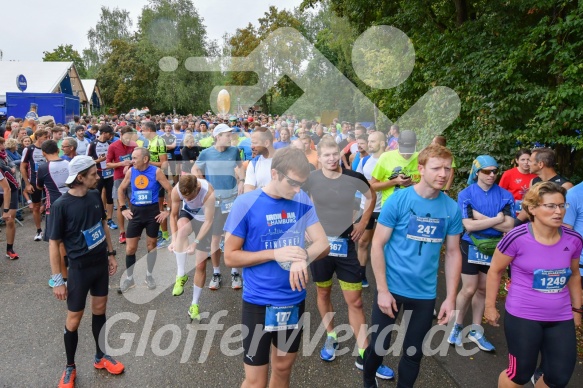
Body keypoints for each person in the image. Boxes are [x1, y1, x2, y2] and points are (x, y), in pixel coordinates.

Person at [223, 147, 330, 388]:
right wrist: (274, 254)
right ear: (274, 174)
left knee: (282, 369)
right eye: (292, 183)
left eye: (301, 184)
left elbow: (323, 244)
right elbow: (230, 257)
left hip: (292, 301)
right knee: (255, 382)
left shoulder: (300, 199)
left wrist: (303, 256)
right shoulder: (245, 203)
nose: (297, 189)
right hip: (258, 302)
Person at [362, 144, 462, 388]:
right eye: (436, 168)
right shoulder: (398, 199)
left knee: (413, 352)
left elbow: (452, 253)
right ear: (421, 169)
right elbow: (377, 245)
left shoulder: (451, 208)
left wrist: (450, 298)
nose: (443, 174)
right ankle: (367, 382)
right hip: (392, 287)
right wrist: (382, 290)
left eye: (447, 169)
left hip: (424, 292)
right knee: (378, 345)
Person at [301, 138, 393, 378]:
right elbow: (300, 203)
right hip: (321, 246)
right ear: (318, 157)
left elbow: (371, 197)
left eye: (334, 154)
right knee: (323, 292)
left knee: (356, 301)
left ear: (339, 155)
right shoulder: (311, 180)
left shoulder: (354, 177)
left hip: (346, 246)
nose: (331, 159)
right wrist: (306, 230)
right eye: (326, 155)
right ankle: (331, 337)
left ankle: (365, 353)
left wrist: (363, 222)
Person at [485, 181, 582, 388]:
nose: (559, 212)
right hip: (524, 316)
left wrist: (577, 309)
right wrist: (490, 306)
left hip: (561, 316)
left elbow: (574, 274)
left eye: (562, 205)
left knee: (559, 377)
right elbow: (495, 270)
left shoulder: (573, 239)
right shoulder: (516, 237)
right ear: (532, 208)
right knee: (519, 374)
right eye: (551, 206)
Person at [48, 156, 124, 388]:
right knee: (74, 319)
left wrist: (111, 254)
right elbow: (54, 243)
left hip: (99, 264)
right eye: (93, 174)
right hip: (78, 269)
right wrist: (57, 279)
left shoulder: (93, 196)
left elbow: (101, 225)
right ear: (80, 177)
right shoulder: (61, 205)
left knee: (100, 310)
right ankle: (70, 367)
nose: (98, 177)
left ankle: (101, 357)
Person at [448, 155, 515, 352]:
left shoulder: (505, 195)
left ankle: (476, 330)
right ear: (477, 172)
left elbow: (510, 225)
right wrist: (496, 219)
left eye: (495, 171)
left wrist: (481, 219)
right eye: (487, 171)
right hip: (470, 245)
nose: (492, 175)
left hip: (494, 247)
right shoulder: (466, 194)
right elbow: (467, 225)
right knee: (468, 288)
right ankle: (457, 325)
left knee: (483, 289)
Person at [192, 123, 245, 290]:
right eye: (227, 135)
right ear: (218, 136)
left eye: (231, 135)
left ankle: (235, 272)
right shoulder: (206, 153)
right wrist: (203, 184)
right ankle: (216, 273)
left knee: (233, 237)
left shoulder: (234, 151)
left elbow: (240, 167)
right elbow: (195, 168)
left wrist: (242, 181)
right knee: (215, 238)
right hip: (215, 202)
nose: (231, 138)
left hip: (232, 199)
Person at [118, 147, 173, 292]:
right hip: (135, 213)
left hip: (152, 213)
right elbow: (120, 189)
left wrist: (167, 211)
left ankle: (149, 275)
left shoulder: (156, 171)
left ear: (145, 159)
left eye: (135, 158)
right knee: (130, 248)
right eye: (132, 157)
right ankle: (129, 279)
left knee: (151, 246)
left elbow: (170, 189)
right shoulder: (131, 171)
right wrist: (123, 208)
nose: (132, 160)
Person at [167, 175, 215, 321]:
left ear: (197, 188)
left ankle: (194, 305)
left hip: (204, 222)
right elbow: (173, 216)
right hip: (187, 215)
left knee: (200, 266)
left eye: (190, 197)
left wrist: (195, 243)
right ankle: (181, 275)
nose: (187, 200)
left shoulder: (208, 192)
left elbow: (209, 221)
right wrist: (174, 240)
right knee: (181, 231)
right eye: (185, 197)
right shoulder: (177, 190)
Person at [355, 131, 385, 287]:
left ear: (381, 143)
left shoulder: (388, 160)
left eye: (373, 141)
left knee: (384, 246)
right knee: (362, 242)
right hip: (365, 207)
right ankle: (361, 275)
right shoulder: (365, 159)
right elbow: (356, 180)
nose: (369, 143)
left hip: (384, 209)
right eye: (369, 140)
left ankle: (387, 280)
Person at [370, 130, 420, 206]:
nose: (406, 155)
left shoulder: (421, 158)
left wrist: (416, 185)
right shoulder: (386, 157)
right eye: (403, 150)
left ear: (416, 144)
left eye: (409, 151)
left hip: (413, 207)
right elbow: (372, 186)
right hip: (390, 207)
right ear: (397, 143)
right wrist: (394, 182)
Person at [141, 121, 170, 247]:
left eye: (143, 130)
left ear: (149, 130)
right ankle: (158, 231)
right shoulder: (150, 142)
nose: (142, 132)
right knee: (153, 206)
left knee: (159, 207)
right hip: (151, 177)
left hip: (159, 177)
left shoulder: (159, 141)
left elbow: (164, 163)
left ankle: (165, 235)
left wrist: (147, 163)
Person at [106, 126, 137, 244]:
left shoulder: (134, 145)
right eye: (126, 138)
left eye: (130, 138)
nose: (128, 140)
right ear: (120, 134)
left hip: (133, 177)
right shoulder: (113, 146)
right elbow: (108, 164)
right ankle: (122, 232)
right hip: (119, 178)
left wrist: (131, 164)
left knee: (133, 203)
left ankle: (133, 229)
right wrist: (121, 163)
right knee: (121, 205)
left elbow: (138, 160)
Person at [87, 124, 117, 230]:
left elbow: (114, 158)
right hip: (98, 173)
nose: (111, 136)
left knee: (110, 197)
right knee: (97, 196)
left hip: (109, 173)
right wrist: (98, 161)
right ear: (103, 133)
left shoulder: (110, 143)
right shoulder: (93, 144)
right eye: (109, 134)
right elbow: (88, 160)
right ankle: (99, 218)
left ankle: (109, 219)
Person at [21, 128, 49, 241]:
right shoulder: (29, 149)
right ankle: (38, 231)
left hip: (48, 180)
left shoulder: (48, 148)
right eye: (45, 137)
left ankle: (53, 229)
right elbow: (22, 167)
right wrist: (27, 184)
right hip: (35, 181)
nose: (47, 139)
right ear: (38, 137)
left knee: (53, 204)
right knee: (36, 206)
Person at [499, 149, 537, 215]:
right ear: (517, 161)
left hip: (530, 212)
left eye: (528, 160)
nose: (526, 162)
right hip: (511, 211)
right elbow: (500, 193)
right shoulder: (508, 174)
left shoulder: (536, 176)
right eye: (523, 160)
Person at [244, 127, 276, 192]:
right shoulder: (254, 163)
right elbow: (248, 190)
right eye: (251, 143)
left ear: (266, 143)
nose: (251, 146)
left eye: (255, 143)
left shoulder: (284, 160)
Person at [0, 169, 15, 257]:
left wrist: (6, 211)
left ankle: (9, 249)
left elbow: (7, 189)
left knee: (9, 220)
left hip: (9, 190)